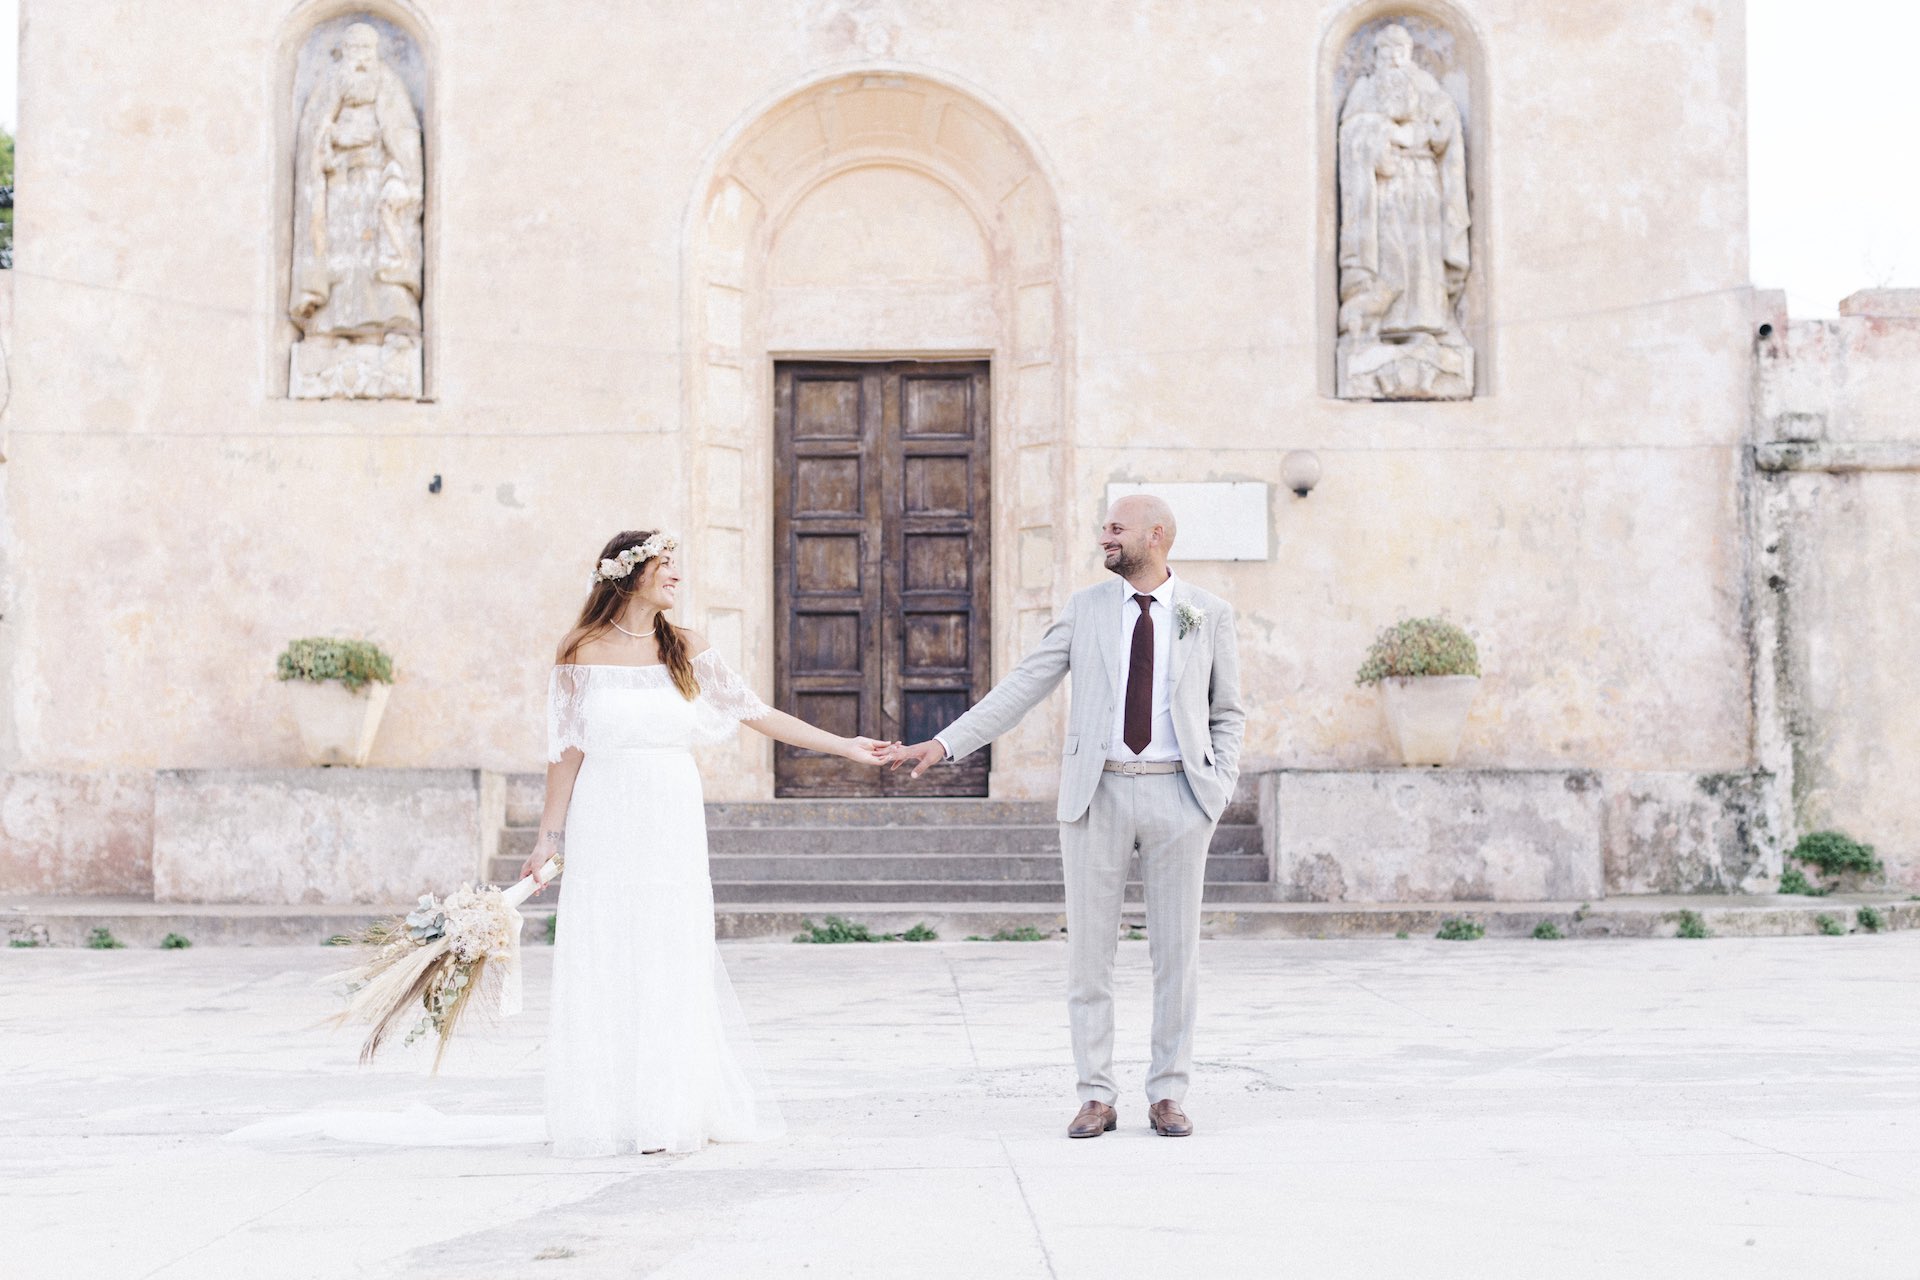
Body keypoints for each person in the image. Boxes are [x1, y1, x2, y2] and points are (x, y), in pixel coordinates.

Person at [521, 529, 892, 1156]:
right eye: (666, 567)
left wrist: (845, 746)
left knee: (671, 947)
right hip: (605, 813)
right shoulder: (578, 649)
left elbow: (755, 712)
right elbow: (567, 750)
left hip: (670, 814)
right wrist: (548, 835)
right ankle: (607, 1109)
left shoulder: (686, 647)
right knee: (608, 945)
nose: (676, 577)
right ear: (630, 574)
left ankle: (671, 1107)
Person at [888, 494, 1244, 1139]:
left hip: (1179, 797)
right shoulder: (1086, 610)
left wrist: (1213, 792)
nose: (1103, 536)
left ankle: (1167, 1093)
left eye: (1116, 528)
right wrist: (945, 745)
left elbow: (1229, 712)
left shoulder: (1208, 614)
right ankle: (1096, 1095)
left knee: (1177, 956)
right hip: (1096, 795)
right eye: (1104, 527)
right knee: (1089, 957)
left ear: (1156, 535)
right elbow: (1023, 685)